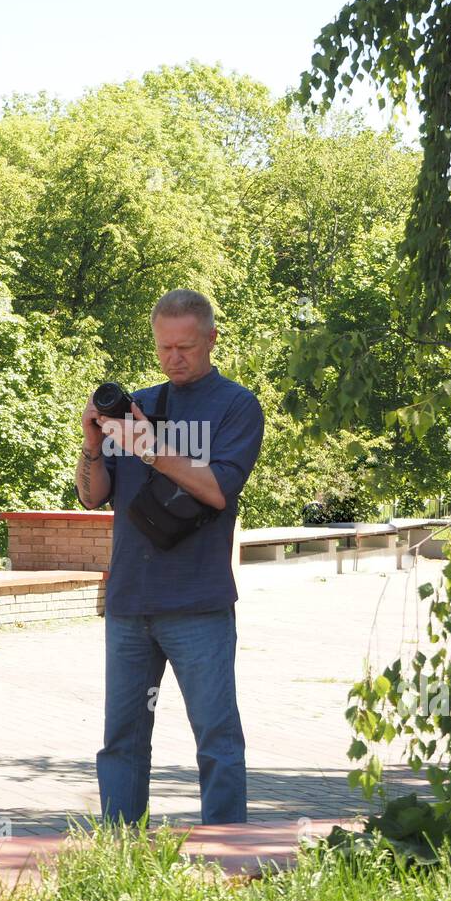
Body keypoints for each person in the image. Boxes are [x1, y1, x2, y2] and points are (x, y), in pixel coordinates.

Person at [74, 288, 265, 827]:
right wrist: (93, 442)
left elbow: (217, 490)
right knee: (122, 740)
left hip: (198, 603)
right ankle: (119, 852)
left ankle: (231, 856)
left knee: (216, 737)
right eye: (164, 348)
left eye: (185, 347)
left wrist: (149, 446)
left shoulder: (236, 406)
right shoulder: (138, 405)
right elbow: (92, 496)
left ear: (211, 340)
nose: (174, 358)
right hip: (130, 602)